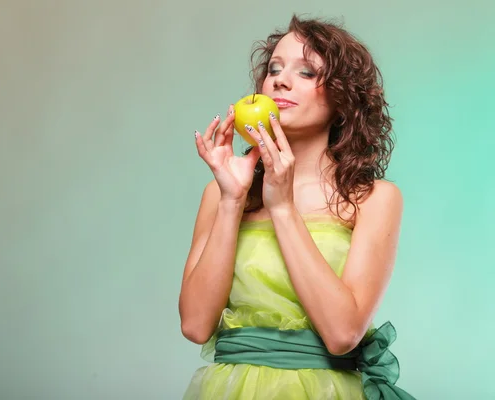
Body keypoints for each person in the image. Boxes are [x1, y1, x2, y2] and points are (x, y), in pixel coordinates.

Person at [178, 13, 416, 400]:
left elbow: (342, 335)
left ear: (342, 97)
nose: (280, 81)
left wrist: (283, 207)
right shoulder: (221, 193)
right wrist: (232, 201)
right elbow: (195, 325)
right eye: (274, 68)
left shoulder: (373, 198)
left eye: (307, 72)